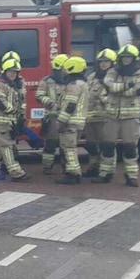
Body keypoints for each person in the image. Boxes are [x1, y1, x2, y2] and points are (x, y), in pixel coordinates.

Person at [96, 43, 140, 187]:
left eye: (128, 57)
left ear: (134, 59)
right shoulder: (113, 71)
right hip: (111, 115)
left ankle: (131, 176)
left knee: (130, 148)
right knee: (107, 146)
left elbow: (137, 90)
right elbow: (109, 86)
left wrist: (118, 89)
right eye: (123, 57)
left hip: (130, 116)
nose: (125, 59)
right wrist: (127, 86)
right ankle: (105, 174)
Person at [0, 52, 31, 182]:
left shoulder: (13, 84)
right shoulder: (0, 83)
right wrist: (12, 110)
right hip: (1, 121)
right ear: (5, 71)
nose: (13, 74)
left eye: (15, 72)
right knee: (6, 146)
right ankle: (16, 173)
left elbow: (20, 100)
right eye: (11, 72)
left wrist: (21, 116)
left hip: (5, 121)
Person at [54, 56, 89, 184]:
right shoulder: (82, 83)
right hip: (78, 122)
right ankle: (75, 173)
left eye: (65, 68)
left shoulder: (73, 85)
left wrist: (61, 121)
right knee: (72, 148)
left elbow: (70, 105)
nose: (63, 71)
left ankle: (73, 174)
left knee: (69, 149)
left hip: (70, 122)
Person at [82, 49, 116, 177]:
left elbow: (115, 97)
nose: (103, 64)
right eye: (101, 61)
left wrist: (103, 99)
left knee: (106, 145)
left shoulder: (115, 78)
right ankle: (93, 168)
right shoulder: (92, 77)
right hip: (90, 117)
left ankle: (107, 171)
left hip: (105, 117)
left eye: (106, 61)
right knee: (91, 145)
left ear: (112, 63)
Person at [37, 54, 68, 175]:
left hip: (67, 117)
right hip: (52, 116)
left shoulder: (71, 81)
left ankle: (66, 166)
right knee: (51, 142)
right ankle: (47, 166)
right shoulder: (46, 81)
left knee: (66, 144)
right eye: (65, 67)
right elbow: (39, 95)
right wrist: (50, 102)